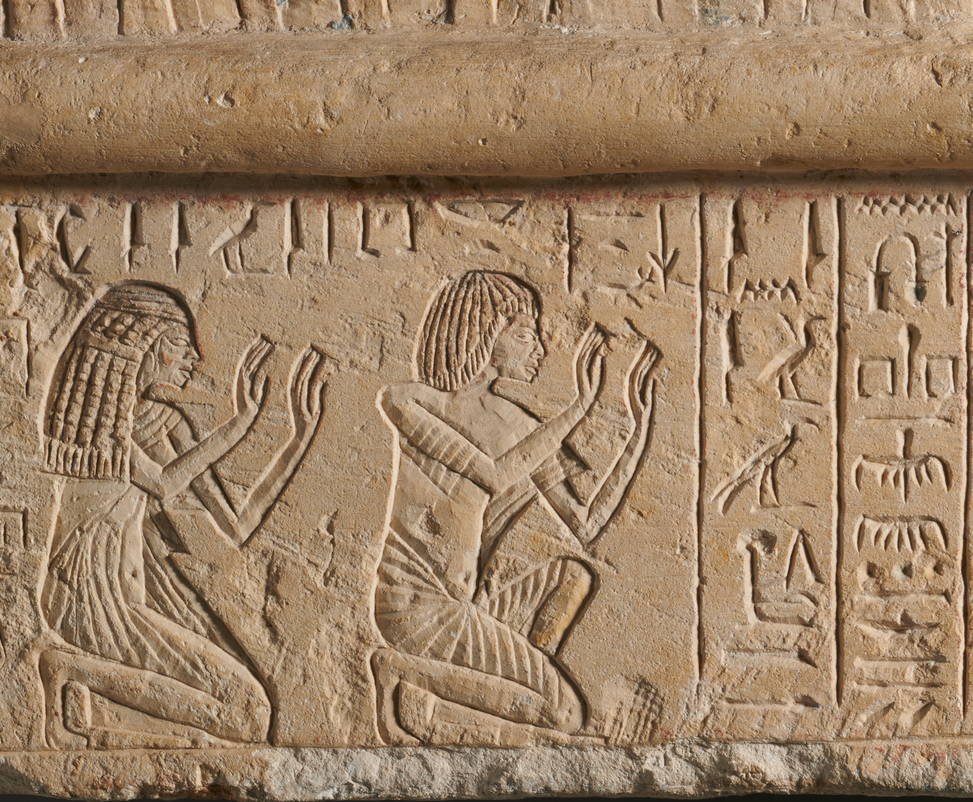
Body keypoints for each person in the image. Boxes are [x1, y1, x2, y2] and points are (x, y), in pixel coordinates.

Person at [370, 270, 663, 743]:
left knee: (572, 577)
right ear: (487, 337)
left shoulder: (519, 424)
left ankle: (489, 701)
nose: (540, 350)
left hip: (464, 604)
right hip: (414, 608)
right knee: (567, 715)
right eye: (526, 335)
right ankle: (398, 668)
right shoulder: (409, 401)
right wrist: (578, 409)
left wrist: (639, 430)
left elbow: (585, 522)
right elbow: (492, 473)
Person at [35, 281, 325, 746]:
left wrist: (298, 436)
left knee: (251, 712)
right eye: (178, 344)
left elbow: (235, 526)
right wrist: (241, 422)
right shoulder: (99, 430)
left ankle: (91, 703)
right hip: (91, 600)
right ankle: (71, 670)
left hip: (135, 598)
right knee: (249, 713)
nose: (194, 358)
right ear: (138, 349)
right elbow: (164, 482)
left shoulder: (167, 423)